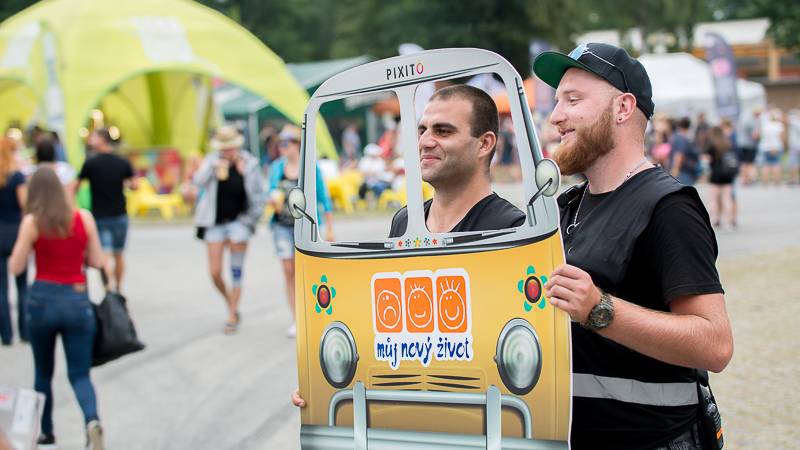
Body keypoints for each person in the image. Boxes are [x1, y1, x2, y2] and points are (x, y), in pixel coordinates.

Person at [533, 42, 733, 450]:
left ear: (623, 107)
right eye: (556, 102)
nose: (556, 116)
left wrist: (599, 309)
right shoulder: (565, 205)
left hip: (654, 440)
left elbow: (715, 344)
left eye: (573, 100)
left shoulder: (668, 206)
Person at [293, 84, 526, 407]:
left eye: (443, 131)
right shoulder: (404, 221)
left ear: (484, 144)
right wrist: (322, 383)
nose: (425, 141)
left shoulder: (510, 229)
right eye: (422, 130)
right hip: (410, 413)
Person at [9, 167, 106, 450]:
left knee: (43, 372)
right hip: (77, 299)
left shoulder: (32, 222)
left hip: (42, 300)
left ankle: (47, 433)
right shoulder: (83, 218)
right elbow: (97, 261)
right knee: (80, 373)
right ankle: (92, 420)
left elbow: (16, 266)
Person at [193, 126, 265, 334]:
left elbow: (258, 196)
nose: (227, 152)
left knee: (236, 271)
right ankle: (229, 302)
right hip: (214, 223)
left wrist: (249, 221)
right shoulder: (213, 161)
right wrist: (213, 167)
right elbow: (198, 181)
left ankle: (232, 314)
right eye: (223, 148)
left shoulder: (249, 164)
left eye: (230, 148)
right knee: (215, 272)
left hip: (239, 223)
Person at [267, 124, 333, 338]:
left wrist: (330, 228)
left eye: (286, 143)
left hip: (305, 226)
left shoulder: (310, 167)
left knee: (306, 271)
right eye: (280, 144)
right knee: (288, 270)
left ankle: (312, 316)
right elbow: (271, 190)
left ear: (297, 145)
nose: (282, 148)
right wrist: (272, 199)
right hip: (281, 225)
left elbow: (324, 198)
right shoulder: (277, 167)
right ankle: (296, 319)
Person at [76, 129, 135, 292]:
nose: (90, 139)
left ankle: (109, 289)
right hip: (120, 214)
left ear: (102, 139)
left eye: (94, 136)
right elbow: (134, 185)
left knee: (105, 255)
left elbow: (76, 186)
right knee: (119, 254)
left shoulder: (90, 163)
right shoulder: (122, 162)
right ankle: (118, 289)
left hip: (100, 216)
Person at [0, 136, 28, 346]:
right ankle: (25, 331)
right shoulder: (17, 177)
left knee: (1, 287)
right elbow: (24, 204)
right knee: (22, 284)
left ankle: (6, 334)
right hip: (17, 233)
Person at [706, 125, 739, 228]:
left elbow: (707, 159)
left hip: (715, 174)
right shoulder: (728, 143)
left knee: (713, 199)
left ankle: (715, 219)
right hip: (727, 174)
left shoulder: (711, 144)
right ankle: (729, 221)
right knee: (727, 198)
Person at [757, 108, 785, 184]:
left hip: (765, 147)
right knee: (776, 164)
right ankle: (777, 181)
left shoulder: (765, 126)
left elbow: (760, 136)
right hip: (776, 147)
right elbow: (782, 137)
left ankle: (765, 181)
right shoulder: (779, 125)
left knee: (766, 165)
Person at [670, 117, 700, 185]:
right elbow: (679, 155)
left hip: (683, 172)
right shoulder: (684, 138)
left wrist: (675, 169)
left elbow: (679, 154)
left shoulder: (678, 137)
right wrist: (675, 169)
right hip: (684, 172)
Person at [737, 109, 760, 184]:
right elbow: (754, 136)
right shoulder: (752, 122)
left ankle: (744, 179)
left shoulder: (743, 120)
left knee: (743, 163)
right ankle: (750, 179)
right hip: (750, 146)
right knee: (750, 163)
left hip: (741, 144)